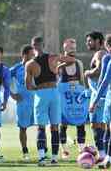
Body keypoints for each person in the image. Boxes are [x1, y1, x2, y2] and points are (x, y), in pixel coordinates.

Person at [25, 36, 75, 166]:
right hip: (54, 92)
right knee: (54, 127)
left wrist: (37, 88)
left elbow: (28, 86)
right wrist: (58, 66)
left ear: (33, 46)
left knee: (40, 127)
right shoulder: (53, 57)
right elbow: (72, 60)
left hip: (41, 94)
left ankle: (42, 157)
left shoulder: (29, 64)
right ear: (43, 45)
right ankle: (54, 158)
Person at [57, 38, 88, 159]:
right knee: (63, 125)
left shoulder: (79, 63)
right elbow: (56, 82)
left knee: (80, 123)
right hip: (64, 100)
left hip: (77, 99)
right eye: (70, 48)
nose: (73, 50)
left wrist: (85, 97)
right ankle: (64, 150)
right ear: (64, 48)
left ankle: (81, 149)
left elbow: (82, 83)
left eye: (74, 48)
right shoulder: (59, 66)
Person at [90, 34, 111, 169]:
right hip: (109, 97)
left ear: (108, 46)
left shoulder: (108, 59)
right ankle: (107, 158)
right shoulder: (107, 59)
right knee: (108, 127)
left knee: (109, 128)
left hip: (109, 97)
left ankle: (107, 158)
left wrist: (96, 100)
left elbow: (103, 81)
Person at [9, 44, 35, 161]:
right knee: (23, 128)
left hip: (36, 100)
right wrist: (12, 94)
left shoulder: (36, 66)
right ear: (24, 55)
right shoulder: (16, 68)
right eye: (31, 54)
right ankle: (25, 151)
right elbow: (3, 79)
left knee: (42, 126)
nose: (33, 56)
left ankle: (43, 150)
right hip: (23, 101)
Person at [85, 31, 107, 161]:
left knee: (95, 125)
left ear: (98, 41)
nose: (87, 43)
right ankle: (105, 154)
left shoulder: (100, 53)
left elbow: (99, 70)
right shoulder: (101, 53)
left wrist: (88, 72)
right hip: (100, 94)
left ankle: (103, 154)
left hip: (100, 95)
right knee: (102, 126)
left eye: (90, 41)